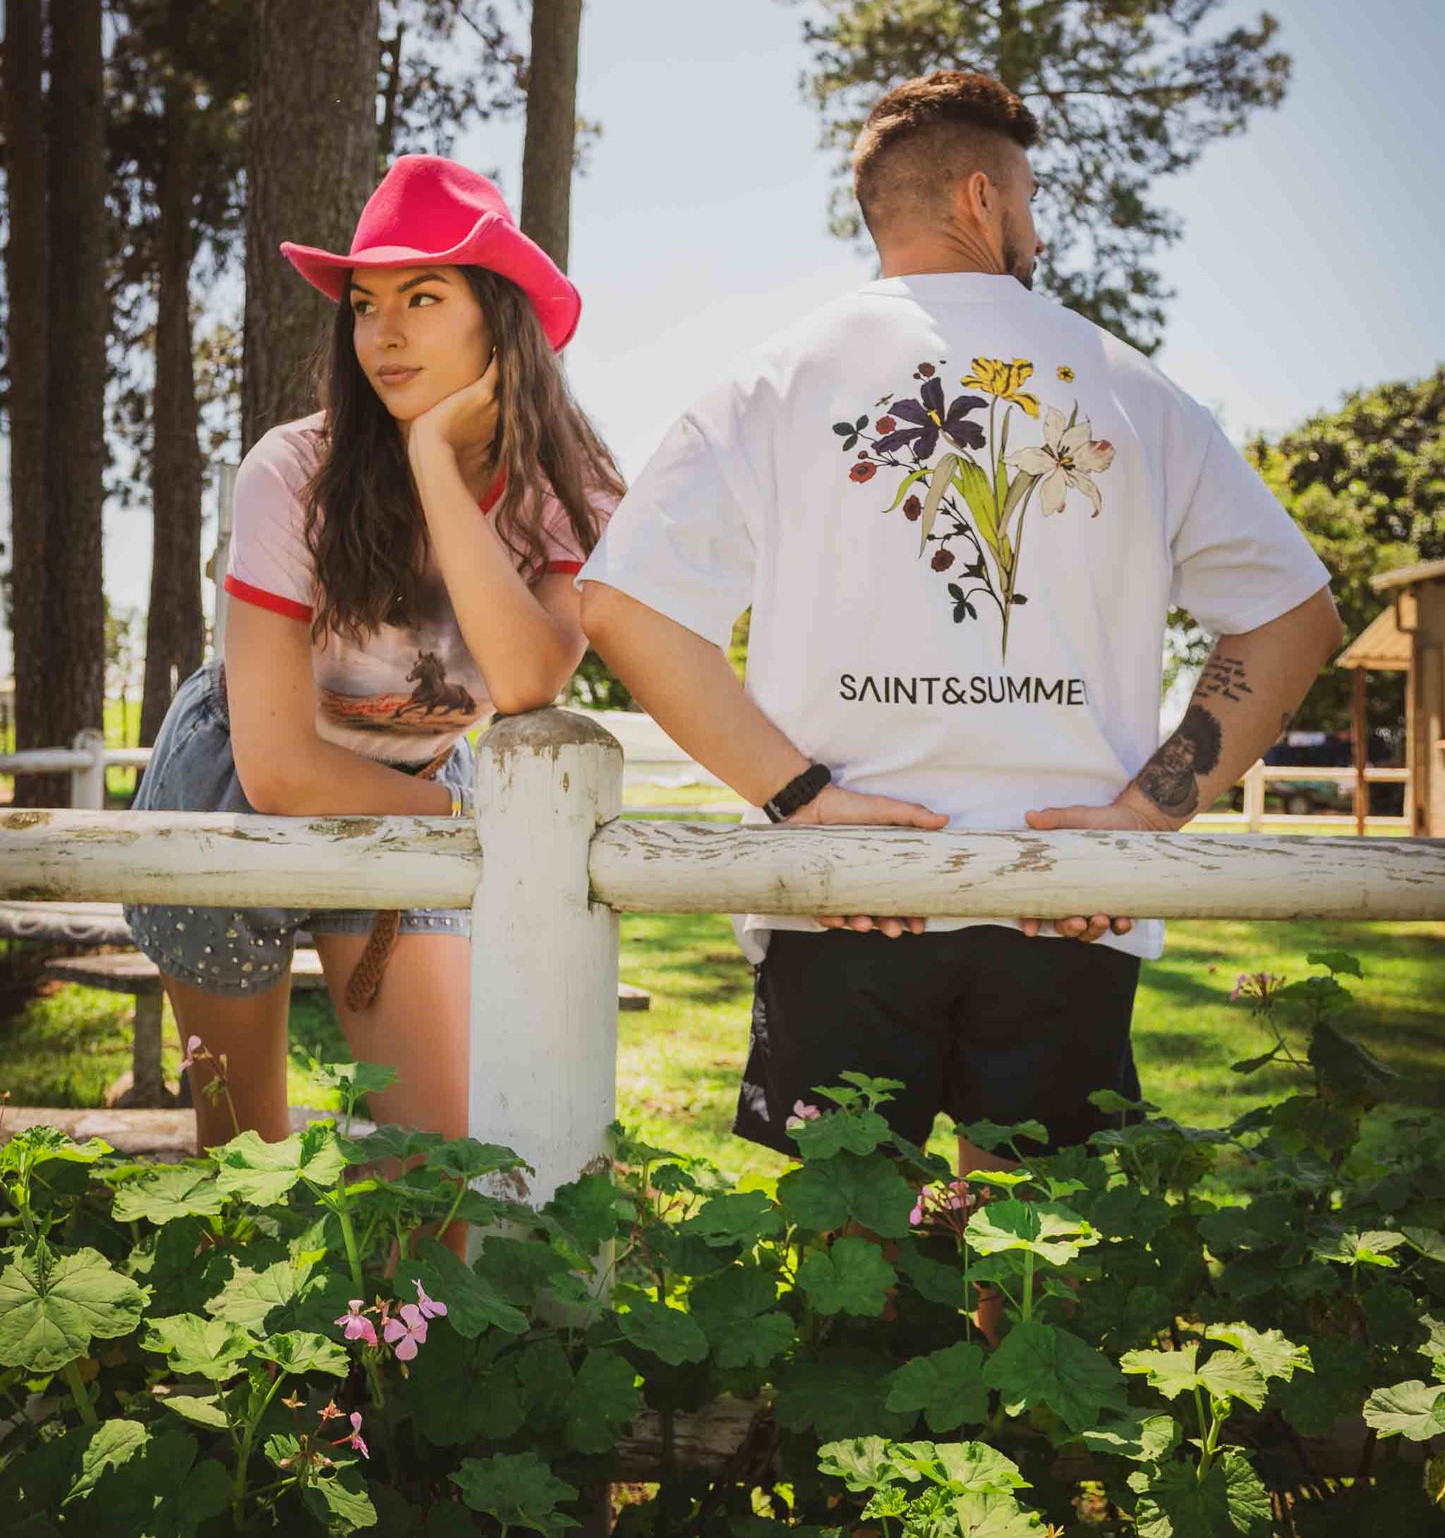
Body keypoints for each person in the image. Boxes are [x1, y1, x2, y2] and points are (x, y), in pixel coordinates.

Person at [579, 69, 1341, 1177]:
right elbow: (1292, 618)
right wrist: (1139, 818)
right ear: (982, 199)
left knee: (851, 1250)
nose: (1032, 229)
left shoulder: (771, 381)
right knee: (1044, 1271)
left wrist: (801, 802)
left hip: (847, 895)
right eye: (1027, 199)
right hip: (1064, 897)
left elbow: (622, 605)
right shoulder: (1130, 386)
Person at [129, 155, 621, 1153]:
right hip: (233, 785)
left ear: (497, 316)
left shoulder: (569, 482)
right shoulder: (292, 471)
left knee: (436, 1163)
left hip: (412, 778)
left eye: (422, 296)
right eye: (363, 303)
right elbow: (274, 769)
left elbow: (529, 679)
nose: (382, 332)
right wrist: (465, 819)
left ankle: (389, 1319)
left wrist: (435, 459)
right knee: (243, 1159)